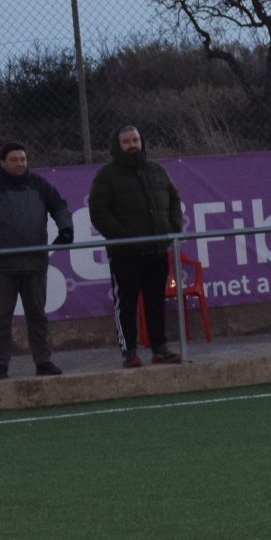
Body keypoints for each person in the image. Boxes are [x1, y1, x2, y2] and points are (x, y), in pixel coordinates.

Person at [0, 141, 72, 380]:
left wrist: (66, 230)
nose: (20, 164)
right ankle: (0, 365)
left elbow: (59, 207)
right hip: (1, 267)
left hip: (35, 264)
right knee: (1, 319)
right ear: (2, 163)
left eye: (23, 159)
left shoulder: (39, 184)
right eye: (14, 160)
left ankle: (43, 361)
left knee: (38, 316)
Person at [86, 125, 183, 366]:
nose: (132, 145)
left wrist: (172, 229)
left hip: (157, 249)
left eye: (135, 140)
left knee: (156, 300)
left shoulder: (157, 170)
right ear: (117, 146)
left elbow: (174, 199)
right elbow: (99, 212)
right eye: (127, 141)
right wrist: (124, 236)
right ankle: (128, 351)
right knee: (126, 303)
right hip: (125, 253)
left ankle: (160, 348)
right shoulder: (106, 175)